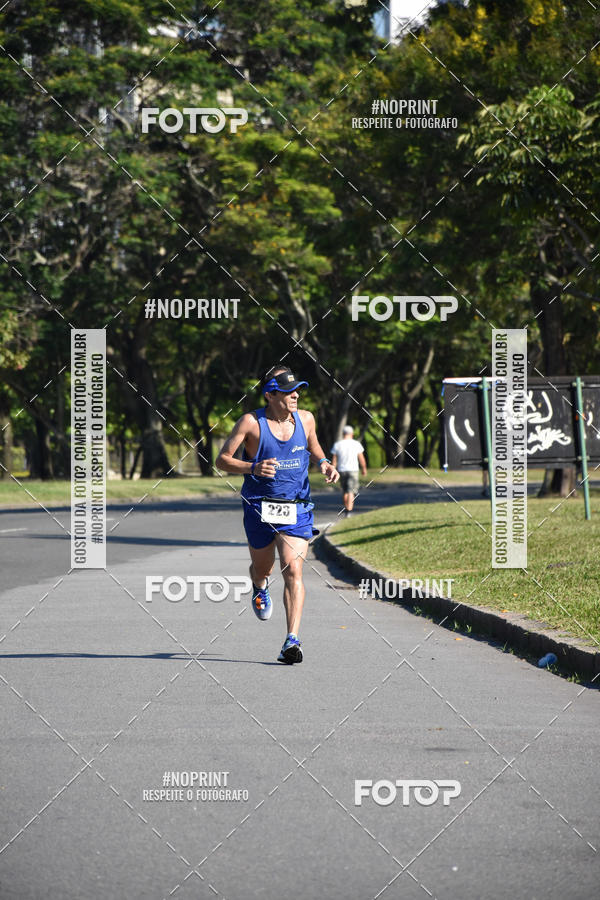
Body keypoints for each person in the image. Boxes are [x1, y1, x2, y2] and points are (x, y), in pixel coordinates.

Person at [215, 366, 339, 664]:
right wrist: (252, 467)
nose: (295, 395)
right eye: (287, 392)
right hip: (259, 505)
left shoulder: (306, 418)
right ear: (270, 395)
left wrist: (323, 462)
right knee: (264, 569)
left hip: (297, 506)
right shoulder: (251, 422)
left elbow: (313, 444)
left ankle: (291, 641)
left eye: (297, 390)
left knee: (292, 569)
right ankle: (259, 586)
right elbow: (222, 460)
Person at [330, 425, 367, 517]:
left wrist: (332, 471)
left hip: (342, 470)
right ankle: (349, 511)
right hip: (353, 469)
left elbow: (334, 460)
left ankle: (346, 508)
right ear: (352, 434)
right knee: (351, 491)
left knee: (345, 491)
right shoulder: (356, 444)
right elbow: (361, 458)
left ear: (343, 434)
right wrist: (364, 468)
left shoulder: (337, 444)